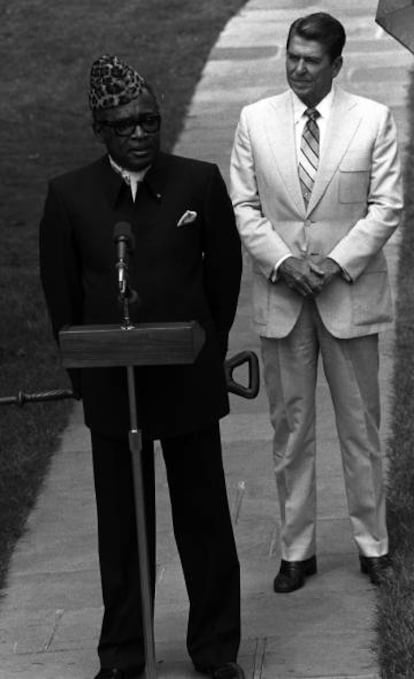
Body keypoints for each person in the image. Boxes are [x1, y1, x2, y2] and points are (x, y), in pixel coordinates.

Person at [39, 55, 245, 679]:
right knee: (123, 525)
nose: (140, 133)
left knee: (204, 519)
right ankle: (124, 654)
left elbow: (224, 278)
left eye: (150, 120)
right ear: (101, 127)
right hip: (114, 386)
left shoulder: (198, 182)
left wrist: (205, 348)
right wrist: (86, 377)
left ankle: (214, 650)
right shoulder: (69, 196)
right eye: (125, 123)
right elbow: (62, 296)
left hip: (184, 380)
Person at [230, 12, 403, 593]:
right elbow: (244, 207)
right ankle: (296, 549)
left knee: (360, 428)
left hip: (349, 296)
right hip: (283, 298)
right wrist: (284, 262)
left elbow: (386, 206)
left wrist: (333, 263)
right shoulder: (255, 121)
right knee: (291, 428)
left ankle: (372, 544)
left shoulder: (373, 120)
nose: (298, 69)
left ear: (336, 65)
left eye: (310, 61)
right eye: (292, 56)